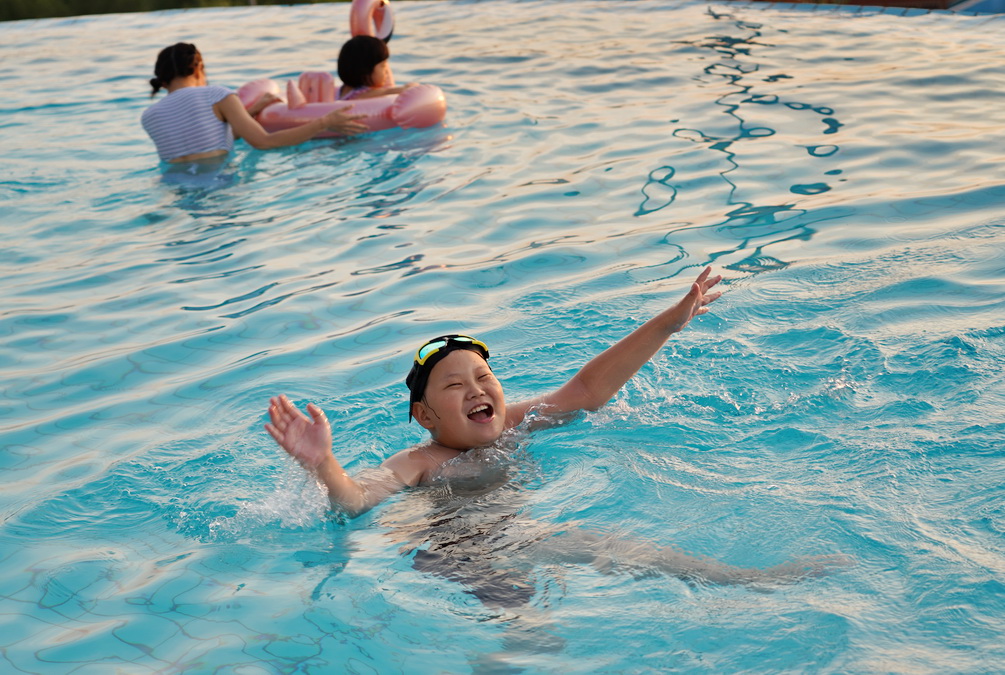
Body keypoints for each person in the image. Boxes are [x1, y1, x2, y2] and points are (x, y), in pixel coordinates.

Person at [266, 267, 850, 587]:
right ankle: (745, 582)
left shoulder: (518, 422)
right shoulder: (418, 462)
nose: (476, 390)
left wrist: (668, 324)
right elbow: (356, 500)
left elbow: (590, 390)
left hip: (517, 533)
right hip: (454, 553)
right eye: (453, 385)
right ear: (425, 416)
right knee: (530, 612)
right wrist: (321, 464)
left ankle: (741, 580)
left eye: (484, 376)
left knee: (619, 551)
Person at [142, 42, 368, 163]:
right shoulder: (216, 95)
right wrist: (324, 122)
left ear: (162, 80)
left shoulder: (149, 116)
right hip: (220, 191)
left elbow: (206, 142)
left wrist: (251, 111)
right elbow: (264, 142)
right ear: (198, 67)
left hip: (175, 192)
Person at [336, 35, 415, 101]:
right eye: (383, 66)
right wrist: (411, 86)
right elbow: (391, 91)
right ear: (366, 70)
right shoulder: (365, 94)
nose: (386, 71)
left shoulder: (343, 90)